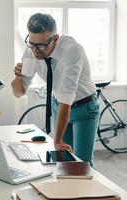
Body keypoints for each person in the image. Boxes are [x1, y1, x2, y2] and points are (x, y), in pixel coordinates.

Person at [11, 13, 99, 163]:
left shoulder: (72, 50)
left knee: (82, 165)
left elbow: (67, 97)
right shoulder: (31, 50)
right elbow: (19, 93)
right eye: (31, 43)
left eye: (41, 45)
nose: (35, 50)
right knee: (64, 160)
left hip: (83, 106)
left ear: (55, 39)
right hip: (59, 105)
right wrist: (18, 77)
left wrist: (56, 140)